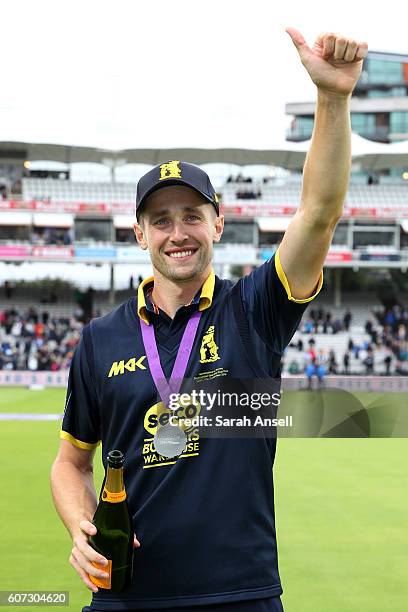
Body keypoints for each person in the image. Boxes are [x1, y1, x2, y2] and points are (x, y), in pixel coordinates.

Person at [50, 27, 368, 612]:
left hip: (239, 595)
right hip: (124, 596)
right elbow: (71, 463)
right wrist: (80, 528)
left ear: (217, 225)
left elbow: (319, 214)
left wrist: (332, 98)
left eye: (192, 216)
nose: (179, 233)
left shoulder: (254, 310)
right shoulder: (99, 340)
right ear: (140, 234)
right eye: (162, 220)